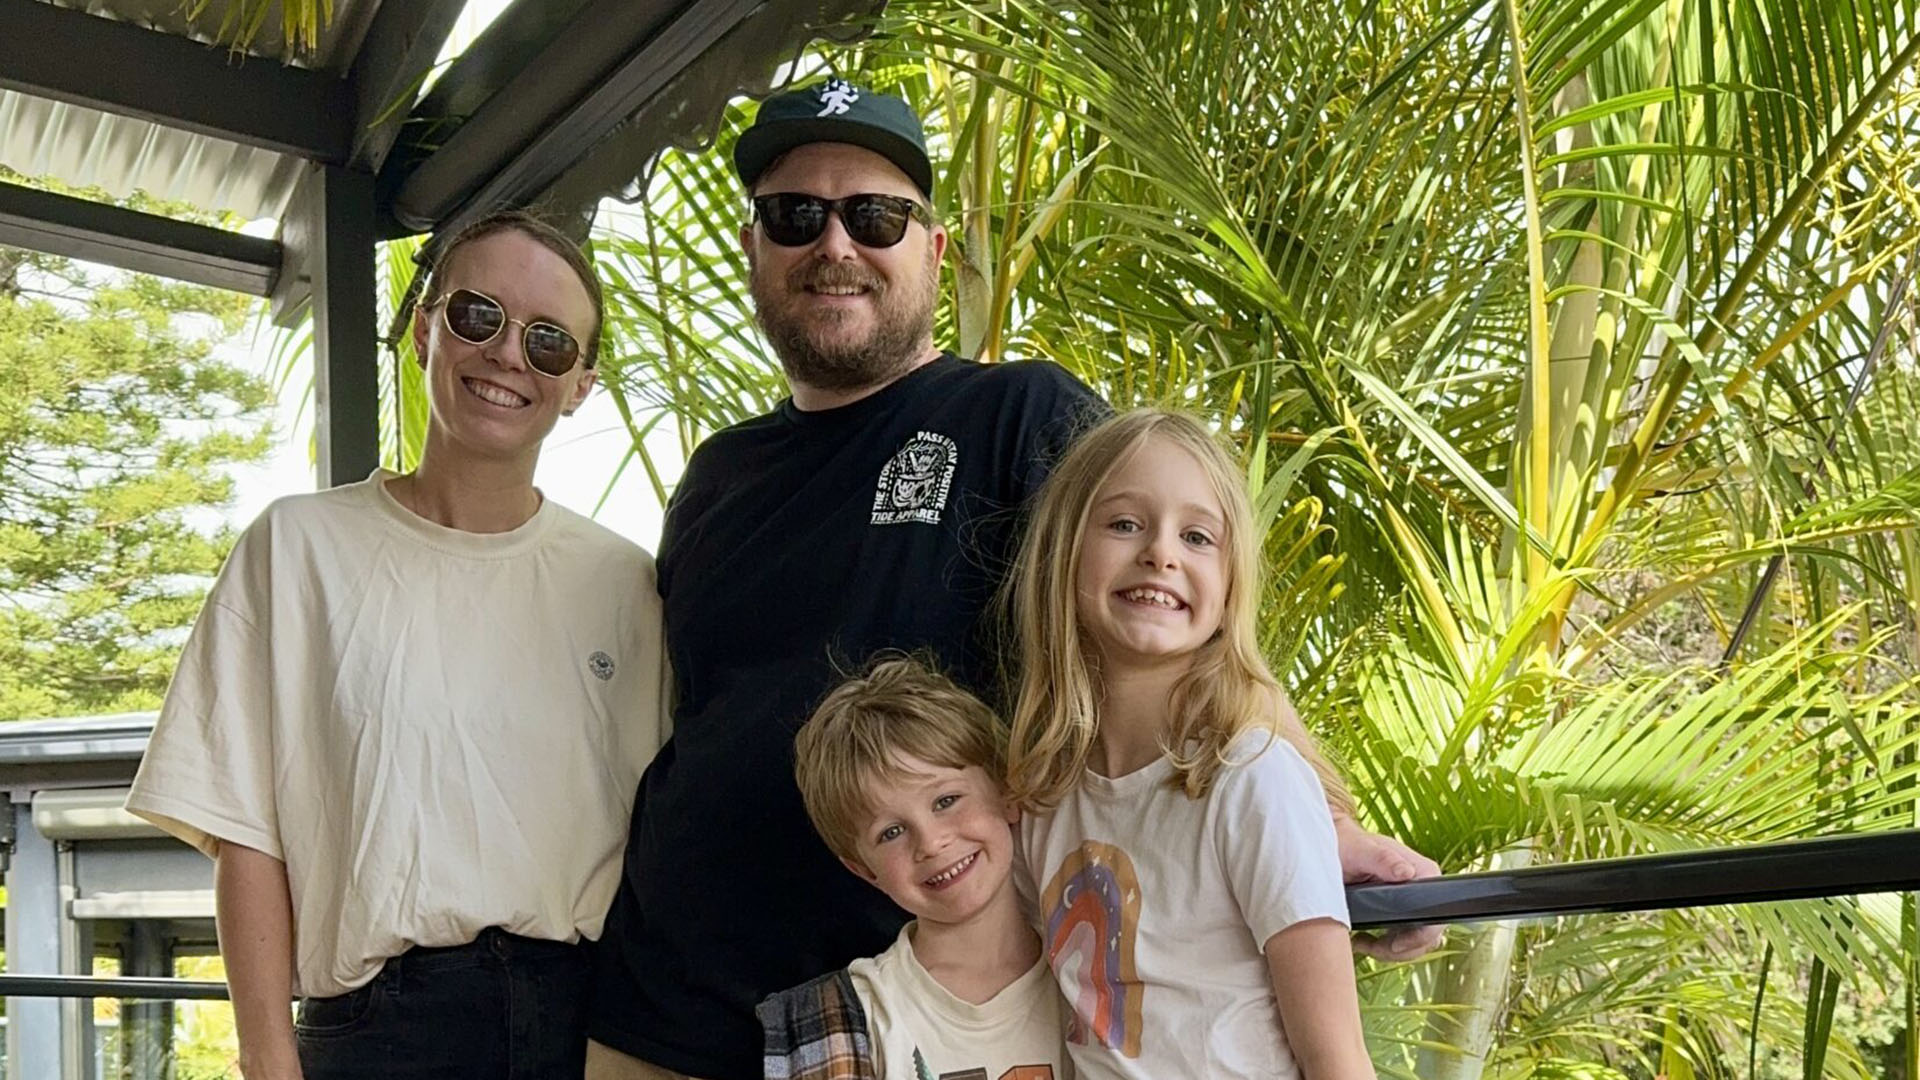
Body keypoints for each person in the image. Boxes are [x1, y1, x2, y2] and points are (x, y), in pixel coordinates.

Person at [585, 79, 1437, 1080]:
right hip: (661, 1015)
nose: (835, 245)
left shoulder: (1019, 414)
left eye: (875, 216)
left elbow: (1176, 622)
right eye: (795, 216)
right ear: (753, 247)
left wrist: (1325, 822)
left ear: (933, 250)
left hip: (920, 1029)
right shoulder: (716, 475)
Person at [125, 210, 671, 1080]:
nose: (507, 354)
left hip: (590, 1031)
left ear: (580, 385)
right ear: (424, 329)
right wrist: (267, 1058)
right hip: (375, 1033)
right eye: (478, 316)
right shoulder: (297, 550)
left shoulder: (628, 584)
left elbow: (668, 851)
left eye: (549, 342)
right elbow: (245, 830)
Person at [1007, 408, 1372, 1079]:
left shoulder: (1254, 780)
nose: (1162, 553)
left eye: (1198, 537)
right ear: (1063, 552)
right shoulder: (1042, 795)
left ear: (1232, 586)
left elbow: (1337, 1058)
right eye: (1124, 524)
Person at [761, 657, 1070, 1080]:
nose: (931, 843)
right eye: (891, 832)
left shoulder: (1096, 977)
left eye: (946, 801)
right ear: (863, 870)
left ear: (1007, 793)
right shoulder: (851, 1016)